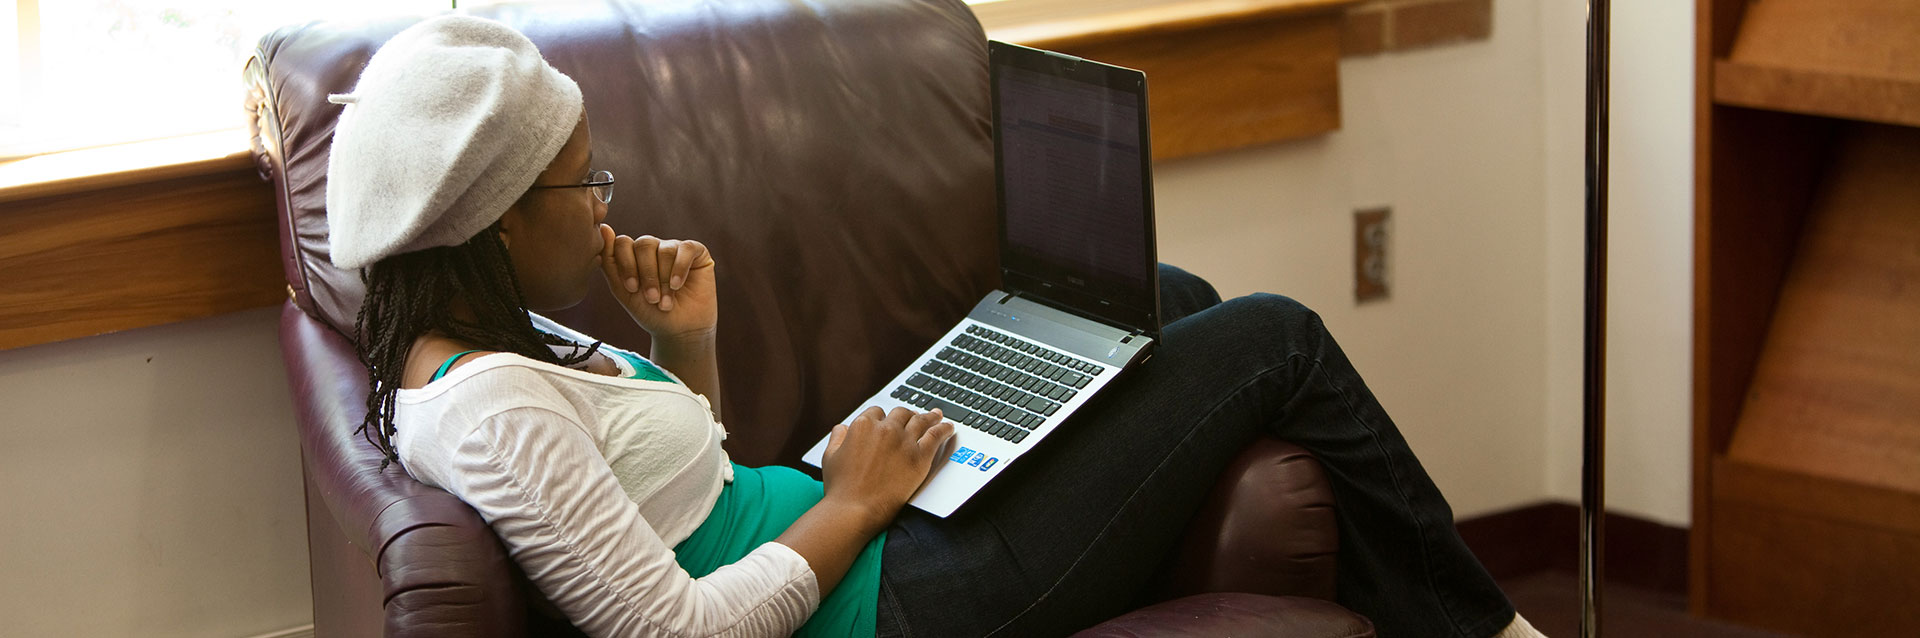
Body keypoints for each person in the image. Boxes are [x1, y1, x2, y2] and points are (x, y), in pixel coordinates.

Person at [325, 15, 1546, 638]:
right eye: (581, 186)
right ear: (488, 220)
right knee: (1275, 334)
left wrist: (687, 344)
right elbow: (679, 628)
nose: (605, 208)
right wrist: (855, 499)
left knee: (1159, 298)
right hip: (892, 600)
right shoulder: (492, 407)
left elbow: (671, 501)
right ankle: (1489, 627)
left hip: (834, 531)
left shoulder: (496, 337)